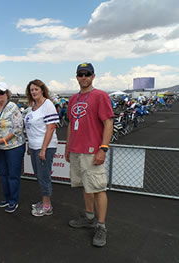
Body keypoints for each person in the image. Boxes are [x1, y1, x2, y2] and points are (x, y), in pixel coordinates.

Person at [65, 62, 114, 247]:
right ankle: (89, 217)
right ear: (76, 77)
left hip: (93, 151)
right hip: (77, 150)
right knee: (85, 186)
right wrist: (68, 147)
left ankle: (101, 226)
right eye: (80, 74)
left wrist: (103, 148)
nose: (83, 77)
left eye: (87, 74)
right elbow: (71, 124)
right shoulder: (73, 99)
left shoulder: (100, 96)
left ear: (93, 76)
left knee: (99, 188)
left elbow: (108, 122)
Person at [0, 82, 26, 213]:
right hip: (0, 147)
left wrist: (2, 140)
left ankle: (13, 200)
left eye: (1, 92)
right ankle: (7, 197)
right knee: (3, 174)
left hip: (13, 147)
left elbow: (17, 128)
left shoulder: (12, 107)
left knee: (13, 175)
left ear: (7, 94)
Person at [24, 79, 59, 216]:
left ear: (42, 90)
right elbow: (31, 128)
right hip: (34, 146)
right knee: (39, 175)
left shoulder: (47, 105)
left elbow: (50, 128)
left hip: (45, 146)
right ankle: (44, 200)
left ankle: (47, 206)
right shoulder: (33, 106)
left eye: (36, 89)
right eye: (31, 90)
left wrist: (43, 149)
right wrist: (29, 145)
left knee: (44, 176)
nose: (33, 92)